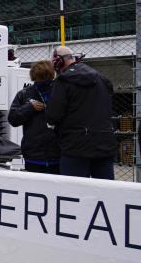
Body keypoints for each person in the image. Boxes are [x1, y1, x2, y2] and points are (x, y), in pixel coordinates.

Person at [45, 46, 117, 179]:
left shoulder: (63, 81)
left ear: (57, 62)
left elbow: (53, 115)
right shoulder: (102, 78)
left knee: (73, 192)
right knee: (106, 192)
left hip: (75, 146)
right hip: (105, 143)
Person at [7, 60, 60, 174]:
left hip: (58, 154)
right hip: (33, 155)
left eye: (45, 80)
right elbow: (12, 119)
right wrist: (29, 108)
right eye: (38, 80)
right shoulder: (24, 94)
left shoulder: (60, 92)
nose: (41, 83)